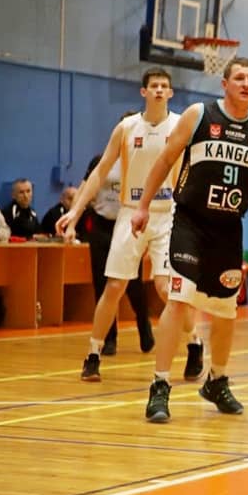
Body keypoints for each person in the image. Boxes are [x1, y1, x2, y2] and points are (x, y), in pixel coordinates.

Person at [131, 57, 248, 423]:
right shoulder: (199, 115)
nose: (246, 83)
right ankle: (160, 385)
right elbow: (165, 160)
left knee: (224, 311)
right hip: (190, 222)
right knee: (179, 298)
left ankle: (217, 380)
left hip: (228, 228)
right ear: (225, 84)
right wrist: (142, 206)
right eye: (239, 78)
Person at [58, 69, 196, 381]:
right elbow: (99, 172)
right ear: (143, 92)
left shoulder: (180, 126)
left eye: (164, 86)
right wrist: (75, 212)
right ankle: (93, 353)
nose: (159, 90)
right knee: (114, 286)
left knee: (167, 289)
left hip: (168, 214)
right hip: (131, 212)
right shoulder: (126, 128)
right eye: (153, 85)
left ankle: (195, 344)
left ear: (170, 93)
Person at [72, 153, 150, 357]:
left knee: (133, 284)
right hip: (101, 226)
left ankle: (143, 324)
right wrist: (72, 221)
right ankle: (109, 338)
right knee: (102, 283)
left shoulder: (139, 160)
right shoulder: (100, 161)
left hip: (127, 225)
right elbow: (83, 190)